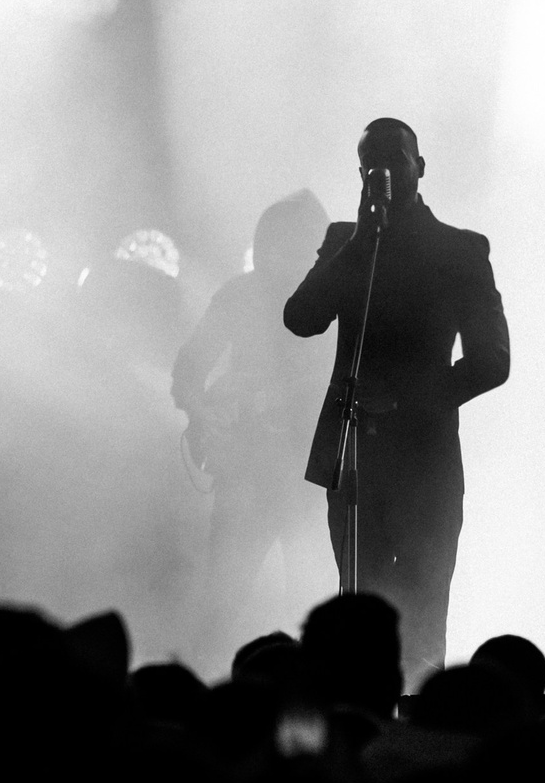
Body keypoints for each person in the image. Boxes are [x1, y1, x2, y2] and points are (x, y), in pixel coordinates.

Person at [283, 119, 508, 675]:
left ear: (420, 167)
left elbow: (492, 361)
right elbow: (301, 318)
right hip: (353, 456)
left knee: (423, 610)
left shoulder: (459, 250)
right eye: (369, 165)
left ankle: (417, 726)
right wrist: (360, 243)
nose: (380, 173)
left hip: (424, 461)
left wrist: (414, 403)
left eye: (395, 161)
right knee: (359, 608)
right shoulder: (347, 243)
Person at [170, 191, 332, 635]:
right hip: (247, 473)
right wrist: (205, 413)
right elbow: (188, 370)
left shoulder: (337, 303)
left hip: (311, 476)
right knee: (222, 602)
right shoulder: (240, 295)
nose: (279, 257)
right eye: (274, 245)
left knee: (312, 603)